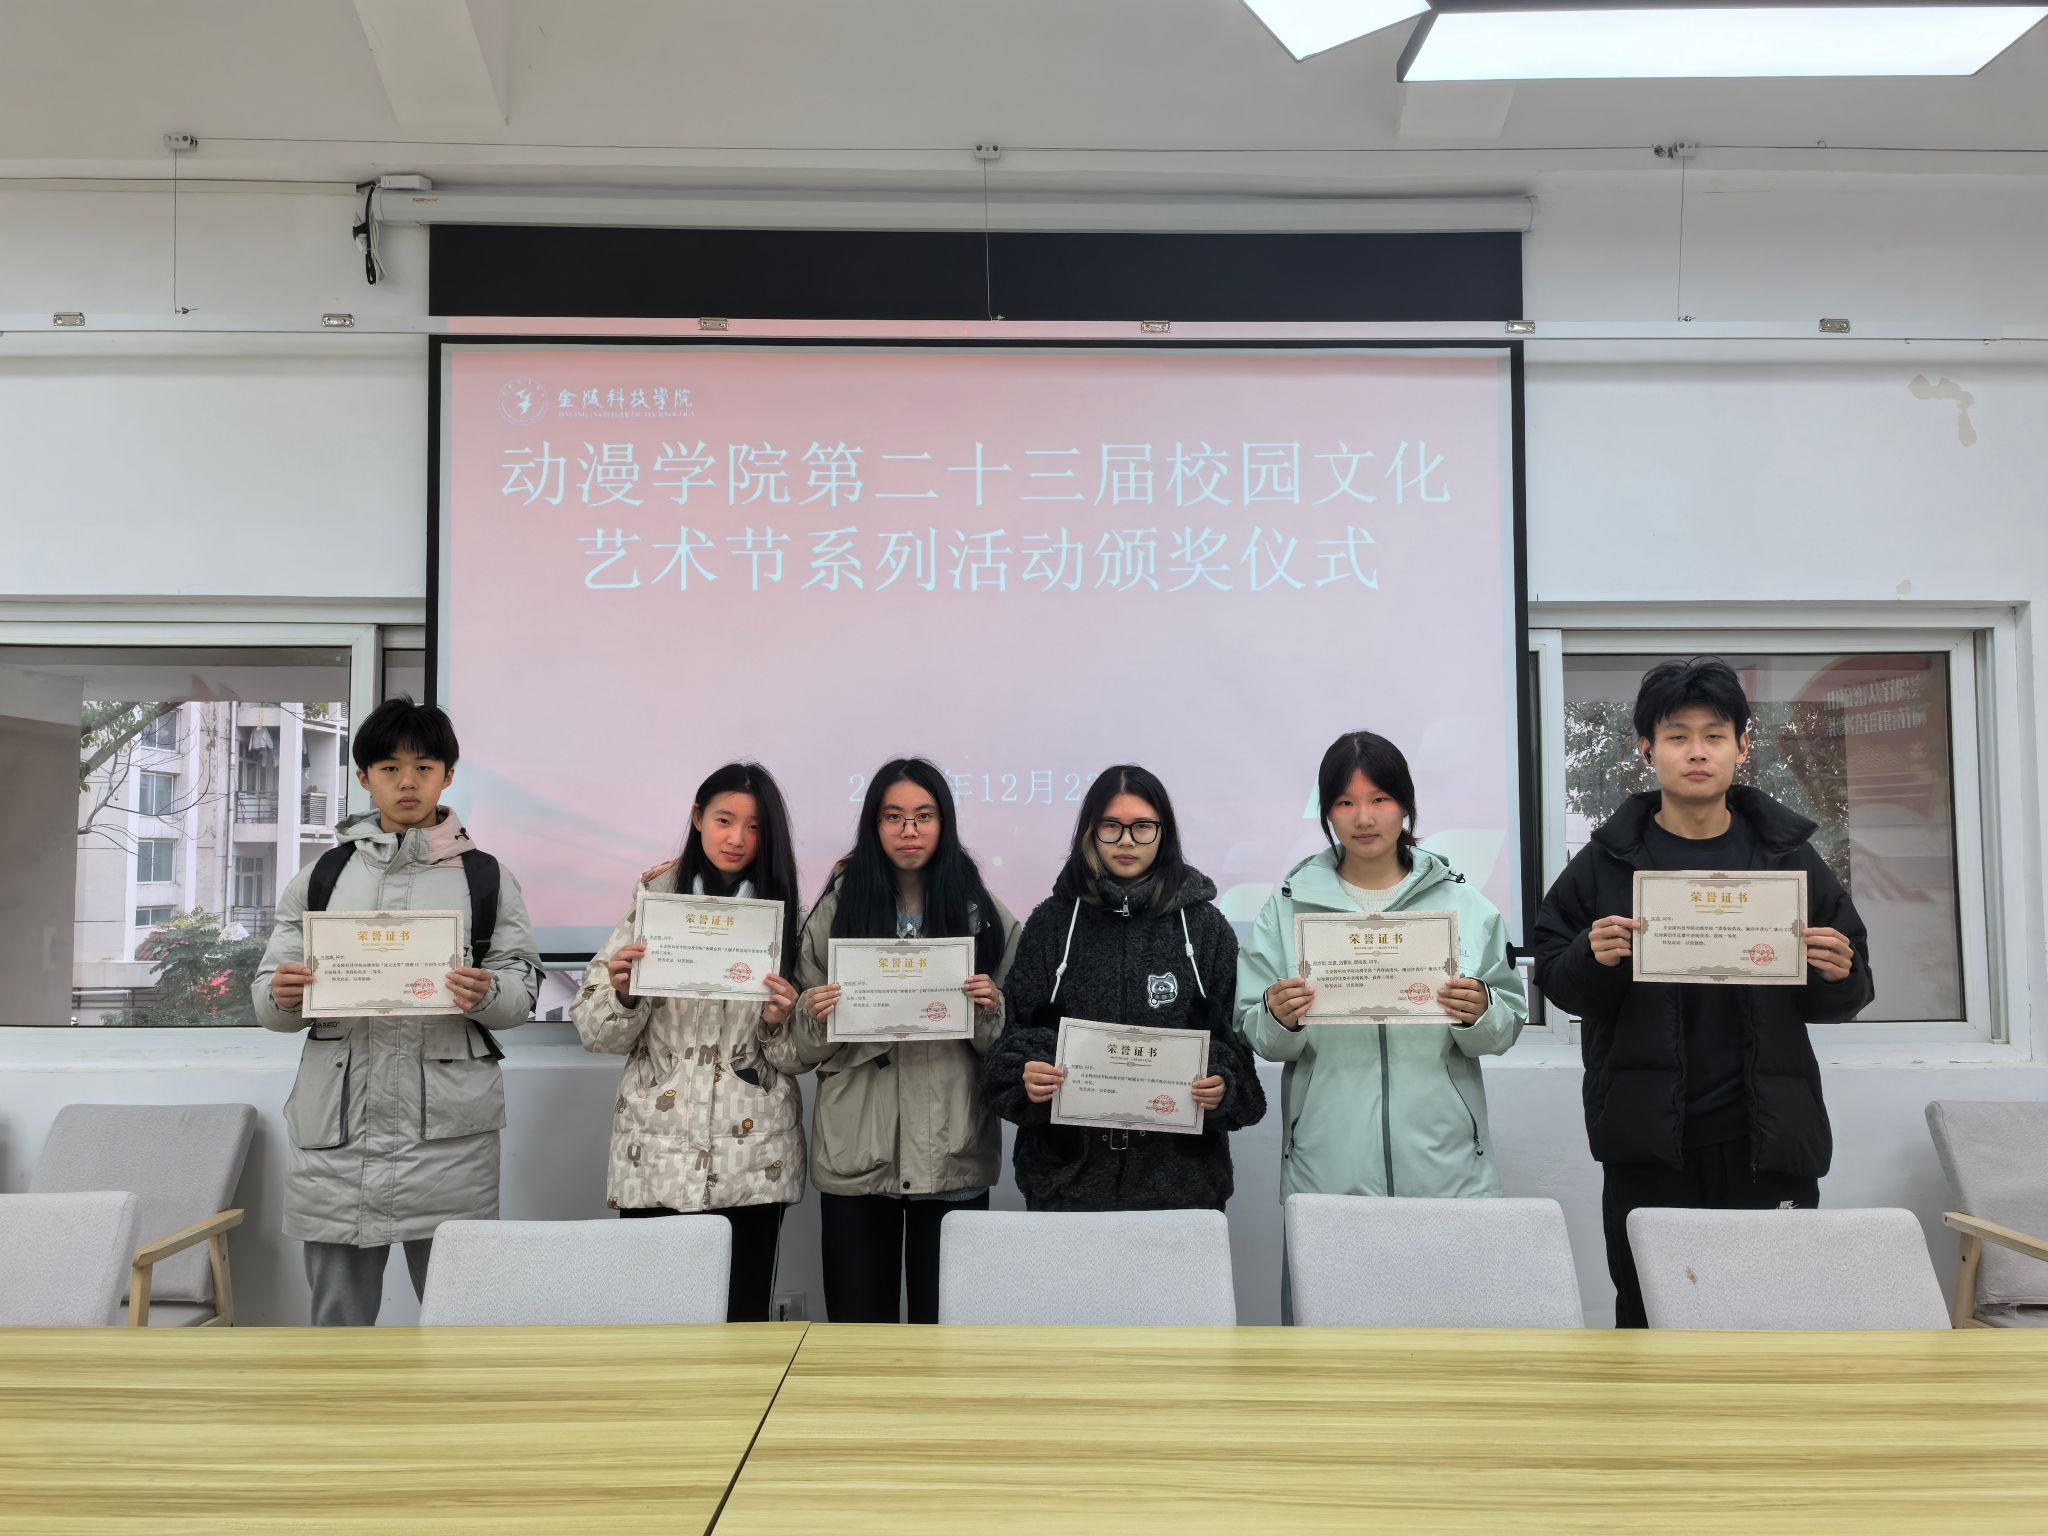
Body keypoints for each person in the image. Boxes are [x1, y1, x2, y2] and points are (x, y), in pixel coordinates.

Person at [1533, 657, 1875, 1328]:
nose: (1697, 752)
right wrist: (1590, 958)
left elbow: (1844, 988)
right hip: (1648, 1142)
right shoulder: (1607, 861)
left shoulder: (1786, 857)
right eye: (1677, 736)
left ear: (1743, 747)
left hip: (1768, 1139)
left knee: (1770, 1319)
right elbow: (1557, 976)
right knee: (1650, 1317)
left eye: (1714, 735)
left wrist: (1841, 972)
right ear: (1646, 750)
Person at [255, 697, 542, 1326]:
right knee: (338, 1327)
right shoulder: (322, 877)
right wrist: (281, 994)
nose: (407, 782)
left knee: (460, 1325)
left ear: (448, 775)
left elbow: (522, 992)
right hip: (339, 1132)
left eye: (423, 767)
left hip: (447, 1138)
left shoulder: (487, 879)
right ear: (364, 777)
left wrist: (486, 992)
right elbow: (270, 1006)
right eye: (389, 768)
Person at [1236, 731, 1528, 1318]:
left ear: (1406, 806)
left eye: (1380, 799)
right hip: (1328, 1165)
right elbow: (1257, 1033)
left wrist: (1480, 1012)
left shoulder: (1465, 906)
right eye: (1345, 802)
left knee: (1446, 1342)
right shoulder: (1288, 907)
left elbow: (1506, 1025)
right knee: (1329, 1347)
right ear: (1327, 813)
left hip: (1445, 1165)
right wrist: (1277, 1017)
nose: (1364, 818)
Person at [757, 759, 1019, 1324]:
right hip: (858, 1156)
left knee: (947, 1337)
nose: (909, 830)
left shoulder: (984, 915)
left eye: (924, 816)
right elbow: (789, 1052)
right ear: (873, 826)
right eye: (893, 817)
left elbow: (1014, 1047)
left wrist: (990, 1012)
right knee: (859, 1339)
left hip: (952, 1152)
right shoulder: (836, 911)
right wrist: (813, 1016)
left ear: (945, 823)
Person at [570, 762, 807, 1323]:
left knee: (742, 1326)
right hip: (655, 1155)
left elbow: (798, 1057)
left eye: (755, 827)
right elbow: (595, 1031)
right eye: (724, 820)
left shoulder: (786, 918)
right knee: (655, 1331)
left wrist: (781, 1021)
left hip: (753, 1161)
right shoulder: (652, 905)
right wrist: (624, 995)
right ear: (698, 818)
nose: (737, 838)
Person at [983, 764, 1266, 1211]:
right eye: (1111, 826)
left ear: (1164, 833)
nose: (1127, 840)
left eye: (1142, 827)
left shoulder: (1205, 928)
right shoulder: (1052, 924)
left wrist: (1222, 1085)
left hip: (1180, 1189)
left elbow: (1240, 1059)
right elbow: (1008, 1046)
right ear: (1090, 833)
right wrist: (1027, 1075)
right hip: (1068, 1187)